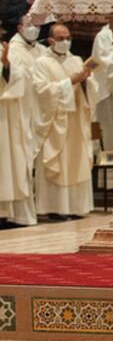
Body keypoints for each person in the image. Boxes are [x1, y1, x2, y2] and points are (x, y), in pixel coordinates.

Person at [32, 22, 96, 220]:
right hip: (55, 121)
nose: (66, 42)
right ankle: (55, 208)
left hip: (76, 119)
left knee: (76, 162)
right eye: (61, 39)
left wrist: (86, 80)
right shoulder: (42, 63)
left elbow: (91, 89)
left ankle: (76, 207)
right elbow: (41, 92)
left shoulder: (76, 60)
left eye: (68, 38)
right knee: (58, 162)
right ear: (51, 41)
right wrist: (70, 82)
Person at [2, 16, 44, 226]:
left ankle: (8, 213)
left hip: (6, 115)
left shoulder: (7, 50)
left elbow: (18, 76)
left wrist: (6, 66)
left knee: (9, 162)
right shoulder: (15, 48)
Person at [90, 24, 113, 155]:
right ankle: (111, 159)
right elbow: (102, 62)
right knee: (110, 129)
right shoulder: (103, 36)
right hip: (108, 90)